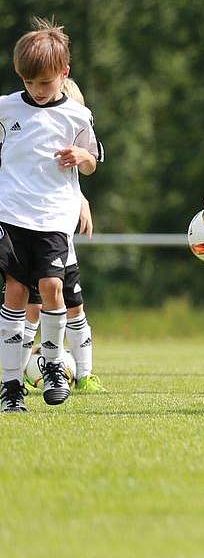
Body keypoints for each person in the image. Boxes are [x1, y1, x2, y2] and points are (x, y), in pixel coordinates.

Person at [0, 18, 101, 412]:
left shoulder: (77, 116)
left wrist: (83, 158)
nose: (37, 92)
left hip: (54, 218)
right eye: (29, 84)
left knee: (52, 290)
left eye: (44, 83)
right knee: (15, 292)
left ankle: (55, 363)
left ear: (64, 73)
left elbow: (93, 161)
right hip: (10, 215)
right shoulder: (6, 109)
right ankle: (10, 386)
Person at [21, 78, 105, 394]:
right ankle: (21, 370)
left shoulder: (78, 131)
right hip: (31, 234)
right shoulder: (29, 133)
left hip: (59, 244)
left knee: (74, 307)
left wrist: (82, 199)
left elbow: (82, 171)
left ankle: (84, 374)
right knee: (30, 307)